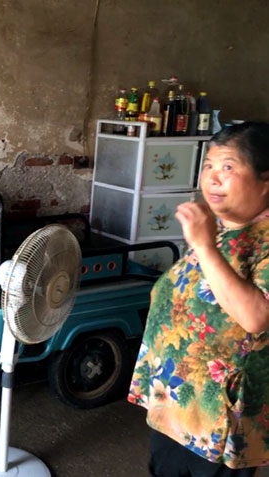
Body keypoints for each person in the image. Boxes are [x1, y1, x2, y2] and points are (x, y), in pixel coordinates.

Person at [129, 121, 269, 476]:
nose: (212, 178)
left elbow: (256, 317)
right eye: (208, 165)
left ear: (266, 180)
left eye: (228, 167)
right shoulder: (220, 226)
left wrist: (204, 246)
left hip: (220, 416)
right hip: (176, 401)